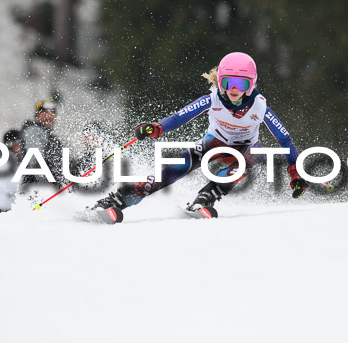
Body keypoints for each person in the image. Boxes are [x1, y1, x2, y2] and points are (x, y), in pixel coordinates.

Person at [91, 52, 308, 222]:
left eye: (240, 84)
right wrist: (156, 128)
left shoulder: (259, 106)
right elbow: (180, 117)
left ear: (251, 84)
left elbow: (285, 140)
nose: (233, 90)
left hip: (243, 149)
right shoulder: (212, 99)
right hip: (213, 142)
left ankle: (207, 197)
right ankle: (117, 199)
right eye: (227, 83)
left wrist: (294, 172)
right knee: (174, 171)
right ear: (220, 81)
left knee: (257, 153)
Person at [21, 99, 68, 188]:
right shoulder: (33, 132)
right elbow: (35, 164)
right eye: (45, 112)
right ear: (37, 115)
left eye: (52, 113)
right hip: (38, 189)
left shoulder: (49, 136)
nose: (50, 116)